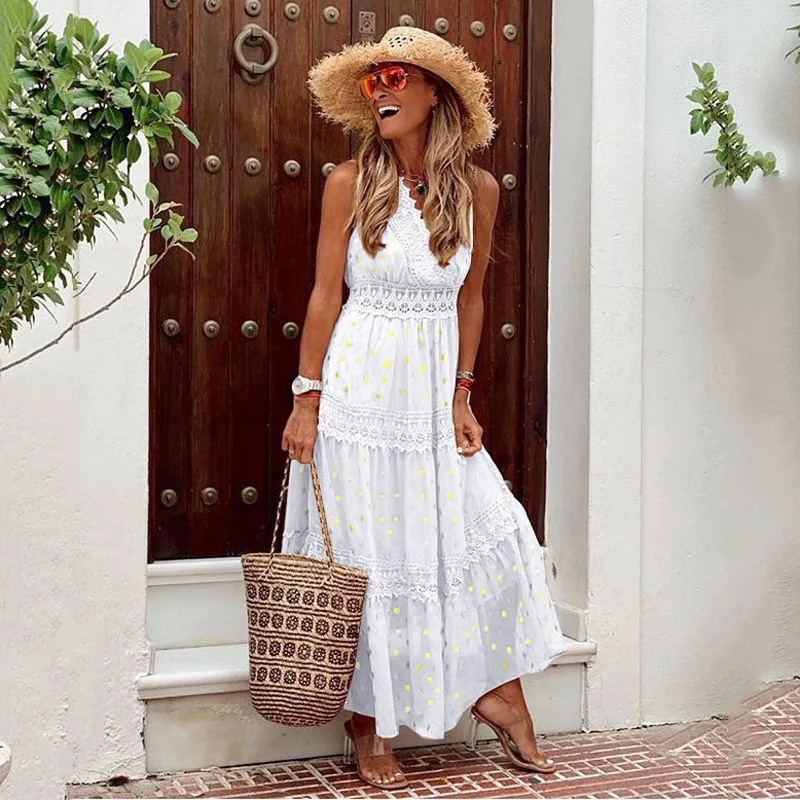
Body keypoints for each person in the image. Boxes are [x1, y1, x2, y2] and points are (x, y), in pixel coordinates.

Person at [280, 26, 567, 791]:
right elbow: (325, 295)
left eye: (395, 76)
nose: (380, 89)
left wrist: (462, 393)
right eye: (372, 79)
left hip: (434, 392)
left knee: (489, 528)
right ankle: (369, 722)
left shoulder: (478, 190)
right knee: (368, 554)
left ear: (434, 92)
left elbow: (472, 298)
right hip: (359, 392)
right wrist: (307, 398)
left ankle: (495, 690)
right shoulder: (349, 182)